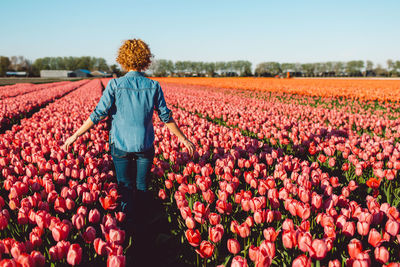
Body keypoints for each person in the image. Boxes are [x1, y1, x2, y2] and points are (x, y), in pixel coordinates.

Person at [63, 39, 195, 264]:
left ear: (123, 59)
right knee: (142, 187)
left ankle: (125, 232)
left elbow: (97, 115)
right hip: (144, 146)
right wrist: (183, 139)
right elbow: (166, 118)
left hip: (121, 146)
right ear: (146, 60)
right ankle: (143, 233)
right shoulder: (153, 86)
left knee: (124, 187)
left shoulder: (115, 85)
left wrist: (75, 135)